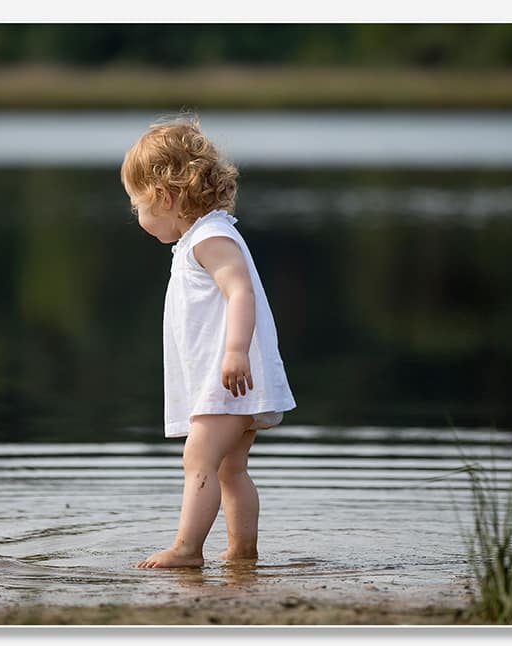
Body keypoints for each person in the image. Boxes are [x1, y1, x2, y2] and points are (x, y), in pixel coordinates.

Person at [120, 115, 297, 568]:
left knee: (198, 459)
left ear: (165, 196)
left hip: (227, 379)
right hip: (227, 380)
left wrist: (235, 352)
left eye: (136, 204)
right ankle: (242, 554)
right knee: (230, 468)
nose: (136, 215)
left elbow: (240, 291)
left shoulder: (211, 237)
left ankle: (187, 549)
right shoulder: (201, 237)